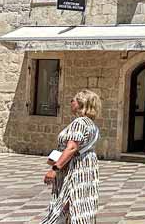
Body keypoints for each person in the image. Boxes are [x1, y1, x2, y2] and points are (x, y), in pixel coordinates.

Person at [40, 89, 101, 224]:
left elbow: (72, 148)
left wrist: (54, 169)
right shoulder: (91, 125)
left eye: (73, 100)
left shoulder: (79, 123)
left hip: (74, 168)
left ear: (81, 103)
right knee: (78, 204)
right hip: (86, 167)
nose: (71, 102)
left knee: (64, 204)